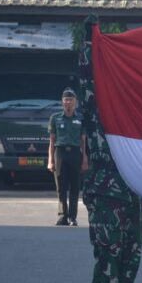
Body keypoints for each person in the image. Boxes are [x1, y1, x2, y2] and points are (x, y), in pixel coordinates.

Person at [79, 26, 142, 283]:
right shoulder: (95, 113)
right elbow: (86, 75)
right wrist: (88, 41)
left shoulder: (132, 111)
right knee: (109, 253)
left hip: (131, 191)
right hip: (106, 190)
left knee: (131, 253)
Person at [47, 88, 87, 226]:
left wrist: (85, 160)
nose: (68, 102)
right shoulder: (55, 118)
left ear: (75, 102)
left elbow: (83, 141)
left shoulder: (80, 118)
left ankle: (72, 217)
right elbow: (52, 141)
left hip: (75, 153)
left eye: (71, 100)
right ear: (62, 102)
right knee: (61, 187)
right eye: (66, 100)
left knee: (75, 187)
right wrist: (50, 160)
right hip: (60, 153)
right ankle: (62, 215)